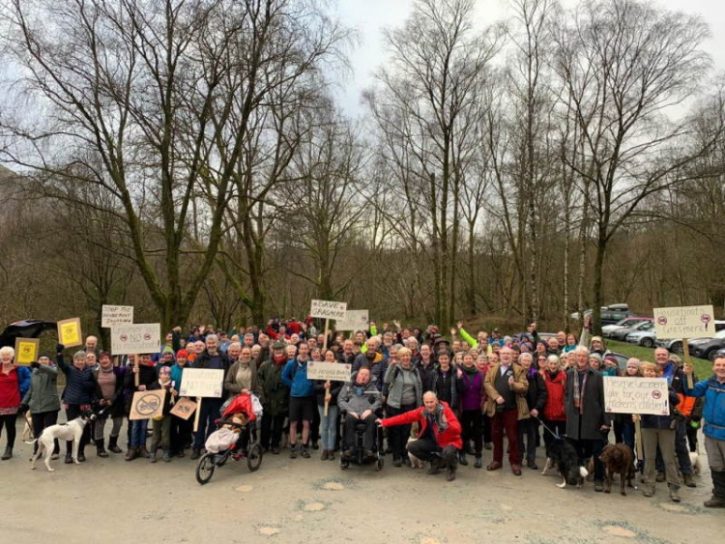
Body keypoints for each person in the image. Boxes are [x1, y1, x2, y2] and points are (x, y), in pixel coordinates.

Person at [378, 391, 463, 481]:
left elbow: (458, 429)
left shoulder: (445, 410)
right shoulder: (423, 411)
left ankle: (451, 469)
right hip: (433, 441)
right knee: (411, 446)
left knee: (448, 452)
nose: (429, 405)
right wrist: (385, 422)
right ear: (424, 402)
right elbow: (405, 417)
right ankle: (436, 461)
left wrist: (447, 424)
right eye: (427, 402)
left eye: (431, 402)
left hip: (449, 441)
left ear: (436, 401)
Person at [683, 355, 725, 507]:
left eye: (724, 365)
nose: (721, 368)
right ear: (713, 367)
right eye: (718, 365)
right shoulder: (709, 383)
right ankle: (720, 496)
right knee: (716, 465)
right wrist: (688, 375)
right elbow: (691, 391)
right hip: (711, 433)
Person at [565, 346, 608, 491]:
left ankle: (599, 479)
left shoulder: (597, 375)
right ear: (575, 358)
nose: (581, 359)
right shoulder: (570, 374)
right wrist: (568, 410)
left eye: (584, 356)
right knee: (576, 452)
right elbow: (567, 395)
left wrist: (606, 421)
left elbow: (604, 400)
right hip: (575, 420)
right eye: (579, 356)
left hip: (593, 420)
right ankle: (577, 476)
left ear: (588, 358)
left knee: (597, 452)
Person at [638, 362, 682, 502]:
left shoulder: (666, 385)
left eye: (653, 371)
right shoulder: (637, 387)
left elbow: (676, 400)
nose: (650, 373)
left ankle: (674, 487)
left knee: (669, 457)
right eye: (647, 371)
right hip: (648, 425)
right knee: (649, 457)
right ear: (643, 373)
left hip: (666, 425)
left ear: (658, 374)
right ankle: (649, 484)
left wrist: (665, 391)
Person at [653, 347, 695, 487]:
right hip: (657, 413)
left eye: (663, 354)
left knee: (680, 445)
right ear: (655, 356)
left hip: (676, 414)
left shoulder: (679, 372)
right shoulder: (651, 371)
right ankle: (661, 470)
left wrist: (685, 412)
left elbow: (690, 390)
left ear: (668, 356)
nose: (661, 357)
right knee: (659, 444)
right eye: (658, 354)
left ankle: (687, 473)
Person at [483, 346, 528, 475]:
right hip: (496, 408)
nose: (506, 356)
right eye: (503, 354)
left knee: (513, 437)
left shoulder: (519, 370)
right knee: (496, 436)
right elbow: (486, 383)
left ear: (512, 355)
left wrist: (513, 385)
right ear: (499, 355)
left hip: (512, 409)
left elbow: (524, 387)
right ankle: (497, 460)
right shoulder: (493, 369)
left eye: (508, 354)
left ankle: (514, 462)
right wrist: (496, 396)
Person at [190, 334, 231, 459]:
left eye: (213, 343)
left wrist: (224, 392)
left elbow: (227, 376)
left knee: (214, 423)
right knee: (200, 423)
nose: (211, 345)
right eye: (209, 343)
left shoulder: (224, 358)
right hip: (203, 397)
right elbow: (194, 375)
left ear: (217, 343)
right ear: (206, 344)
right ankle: (197, 447)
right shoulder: (200, 358)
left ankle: (209, 447)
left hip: (217, 397)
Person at [383, 347, 423, 467]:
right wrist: (391, 366)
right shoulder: (396, 368)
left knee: (406, 431)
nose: (406, 358)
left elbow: (419, 387)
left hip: (409, 405)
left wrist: (419, 405)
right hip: (395, 405)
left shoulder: (415, 370)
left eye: (408, 355)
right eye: (403, 356)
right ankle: (396, 455)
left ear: (410, 357)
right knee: (395, 431)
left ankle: (404, 454)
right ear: (399, 358)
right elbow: (386, 380)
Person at [56, 346, 96, 463]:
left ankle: (80, 452)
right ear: (74, 361)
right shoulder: (69, 369)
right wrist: (59, 353)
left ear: (85, 360)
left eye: (82, 360)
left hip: (84, 404)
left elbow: (93, 386)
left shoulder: (90, 371)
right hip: (72, 402)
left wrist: (91, 390)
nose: (79, 362)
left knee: (82, 429)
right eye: (77, 360)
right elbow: (61, 364)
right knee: (70, 429)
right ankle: (68, 453)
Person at [21, 355, 61, 459]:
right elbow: (31, 390)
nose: (43, 361)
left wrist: (40, 366)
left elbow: (54, 373)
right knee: (37, 431)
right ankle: (37, 452)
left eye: (45, 359)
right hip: (36, 407)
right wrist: (24, 403)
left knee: (50, 430)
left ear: (49, 361)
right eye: (41, 360)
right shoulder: (33, 373)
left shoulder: (52, 371)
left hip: (50, 406)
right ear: (38, 361)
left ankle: (54, 451)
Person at [337, 368, 382, 459]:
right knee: (348, 419)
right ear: (357, 375)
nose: (363, 376)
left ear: (369, 377)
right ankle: (351, 448)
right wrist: (349, 410)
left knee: (373, 419)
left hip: (366, 412)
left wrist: (370, 409)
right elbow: (340, 399)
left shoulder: (372, 386)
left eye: (366, 375)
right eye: (362, 374)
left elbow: (379, 399)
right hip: (352, 412)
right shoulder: (348, 385)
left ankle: (368, 448)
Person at [281, 341, 315, 458]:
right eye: (302, 349)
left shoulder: (313, 363)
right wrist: (293, 384)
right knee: (293, 422)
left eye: (306, 349)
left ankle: (305, 446)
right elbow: (284, 377)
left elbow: (318, 377)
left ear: (308, 350)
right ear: (298, 350)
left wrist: (311, 386)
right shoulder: (291, 364)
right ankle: (293, 446)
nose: (304, 351)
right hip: (295, 397)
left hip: (308, 397)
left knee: (306, 423)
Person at [258, 341, 290, 454]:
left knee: (278, 424)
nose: (278, 351)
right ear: (272, 351)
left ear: (284, 350)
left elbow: (291, 381)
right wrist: (262, 395)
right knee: (265, 423)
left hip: (282, 398)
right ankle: (263, 445)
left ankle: (275, 444)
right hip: (267, 398)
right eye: (276, 349)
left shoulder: (288, 364)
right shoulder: (265, 364)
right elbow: (259, 380)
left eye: (280, 349)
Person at [0, 346, 31, 460]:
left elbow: (29, 379)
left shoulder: (19, 368)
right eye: (3, 355)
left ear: (12, 356)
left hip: (13, 402)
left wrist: (20, 389)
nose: (5, 357)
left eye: (8, 355)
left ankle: (9, 449)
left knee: (10, 427)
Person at [124, 354, 157, 461]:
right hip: (134, 400)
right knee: (135, 426)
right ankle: (133, 448)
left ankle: (142, 447)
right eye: (144, 358)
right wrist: (132, 373)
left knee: (144, 426)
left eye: (148, 358)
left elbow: (156, 383)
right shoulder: (133, 369)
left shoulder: (153, 370)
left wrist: (147, 387)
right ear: (140, 358)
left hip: (147, 401)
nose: (146, 360)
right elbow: (126, 384)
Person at [92, 352, 126, 456]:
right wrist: (98, 400)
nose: (104, 360)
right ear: (99, 361)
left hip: (115, 401)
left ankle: (112, 444)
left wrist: (114, 399)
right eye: (102, 359)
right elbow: (92, 389)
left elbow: (121, 386)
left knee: (118, 423)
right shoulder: (95, 372)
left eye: (106, 358)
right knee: (99, 424)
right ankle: (100, 448)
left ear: (110, 360)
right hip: (101, 402)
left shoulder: (117, 371)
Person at [518, 352, 547, 470]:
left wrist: (537, 408)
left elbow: (543, 392)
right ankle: (518, 458)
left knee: (532, 435)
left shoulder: (536, 375)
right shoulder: (516, 373)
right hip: (519, 410)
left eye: (528, 360)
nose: (526, 362)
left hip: (533, 410)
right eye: (524, 360)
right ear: (520, 361)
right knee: (518, 436)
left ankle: (531, 460)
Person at [457, 352, 485, 468]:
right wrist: (459, 379)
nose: (468, 360)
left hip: (477, 407)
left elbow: (483, 390)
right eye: (466, 358)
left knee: (478, 432)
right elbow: (458, 390)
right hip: (464, 408)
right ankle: (462, 453)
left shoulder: (479, 373)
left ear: (473, 360)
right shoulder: (459, 373)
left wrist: (483, 402)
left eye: (470, 358)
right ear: (462, 360)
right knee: (464, 432)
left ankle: (478, 455)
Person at [314, 349, 342, 460]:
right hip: (322, 402)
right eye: (327, 355)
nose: (329, 357)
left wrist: (332, 394)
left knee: (332, 426)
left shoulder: (338, 369)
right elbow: (315, 386)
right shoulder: (319, 369)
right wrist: (323, 387)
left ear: (334, 357)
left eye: (331, 355)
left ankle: (331, 449)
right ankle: (325, 449)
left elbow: (341, 386)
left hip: (333, 402)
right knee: (324, 426)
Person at [148, 366, 177, 463]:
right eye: (163, 373)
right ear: (159, 375)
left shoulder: (172, 385)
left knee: (165, 434)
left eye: (167, 374)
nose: (165, 376)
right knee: (156, 434)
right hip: (156, 412)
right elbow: (150, 397)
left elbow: (174, 400)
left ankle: (166, 452)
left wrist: (175, 394)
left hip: (167, 413)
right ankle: (152, 452)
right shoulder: (154, 384)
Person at [541, 354, 567, 458]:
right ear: (547, 364)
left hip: (562, 414)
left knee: (562, 438)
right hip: (548, 413)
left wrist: (564, 407)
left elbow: (567, 394)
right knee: (548, 437)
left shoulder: (564, 376)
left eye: (555, 363)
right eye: (551, 363)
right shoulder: (543, 376)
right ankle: (549, 458)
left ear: (559, 364)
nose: (553, 365)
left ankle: (562, 458)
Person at [169, 349, 192, 457]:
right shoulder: (171, 369)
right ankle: (173, 447)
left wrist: (190, 393)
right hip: (174, 400)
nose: (181, 359)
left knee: (183, 426)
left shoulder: (191, 369)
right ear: (176, 358)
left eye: (183, 357)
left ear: (186, 358)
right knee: (173, 425)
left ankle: (180, 448)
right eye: (179, 357)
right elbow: (166, 382)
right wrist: (170, 389)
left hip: (186, 400)